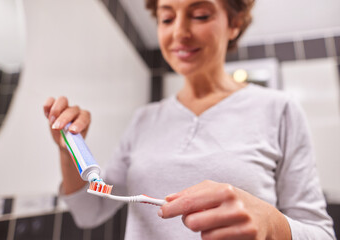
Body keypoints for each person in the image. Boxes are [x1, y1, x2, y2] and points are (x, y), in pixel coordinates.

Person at [43, 0, 336, 239]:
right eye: (167, 19)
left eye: (199, 15)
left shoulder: (280, 109)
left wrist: (273, 225)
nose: (179, 32)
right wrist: (68, 150)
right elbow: (88, 213)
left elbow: (321, 234)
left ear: (234, 23)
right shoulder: (144, 119)